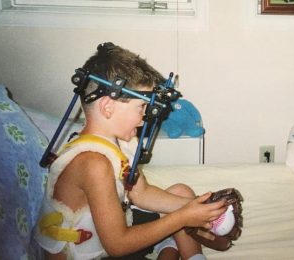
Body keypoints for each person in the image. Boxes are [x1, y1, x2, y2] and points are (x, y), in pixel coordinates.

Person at [34, 42, 227, 260]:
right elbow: (117, 245)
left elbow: (141, 193)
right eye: (140, 108)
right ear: (108, 107)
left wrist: (198, 208)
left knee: (182, 192)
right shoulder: (92, 164)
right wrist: (182, 218)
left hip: (112, 233)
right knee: (178, 218)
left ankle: (182, 250)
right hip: (99, 250)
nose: (144, 116)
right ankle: (168, 246)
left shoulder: (118, 143)